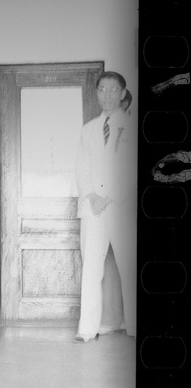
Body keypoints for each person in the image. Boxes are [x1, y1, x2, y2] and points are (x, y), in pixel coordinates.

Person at [74, 71, 136, 343]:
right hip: (93, 208)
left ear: (123, 93)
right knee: (91, 267)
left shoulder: (133, 125)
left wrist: (109, 197)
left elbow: (130, 168)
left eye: (113, 90)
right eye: (102, 89)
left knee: (130, 264)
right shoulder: (88, 129)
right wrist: (92, 196)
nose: (107, 95)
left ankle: (135, 327)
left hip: (120, 206)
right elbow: (82, 168)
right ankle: (87, 329)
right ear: (96, 93)